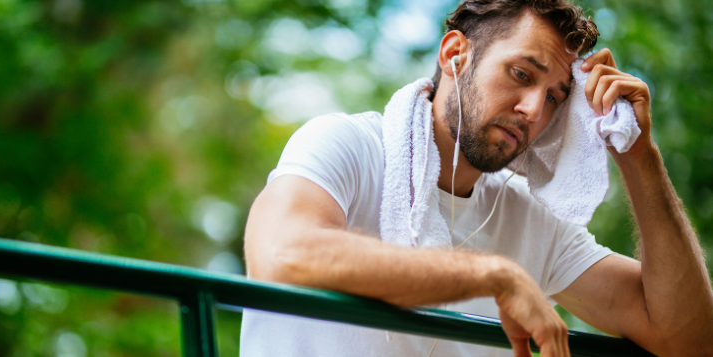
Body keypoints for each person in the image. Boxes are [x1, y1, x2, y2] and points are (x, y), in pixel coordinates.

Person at [240, 0, 713, 356]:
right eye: (521, 73)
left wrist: (639, 156)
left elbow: (686, 339)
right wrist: (494, 276)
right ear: (455, 55)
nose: (532, 110)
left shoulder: (533, 219)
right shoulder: (348, 144)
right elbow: (282, 255)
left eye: (554, 98)